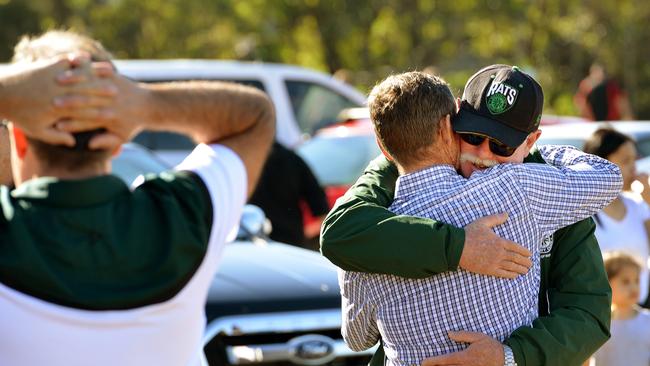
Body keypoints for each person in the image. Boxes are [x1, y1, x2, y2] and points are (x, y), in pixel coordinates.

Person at [0, 30, 274, 366]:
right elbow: (255, 115)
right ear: (118, 142)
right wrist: (146, 104)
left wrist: (9, 91)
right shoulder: (184, 214)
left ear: (19, 139)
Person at [322, 65, 614, 366]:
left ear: (530, 141)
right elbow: (339, 232)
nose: (484, 155)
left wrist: (510, 356)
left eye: (502, 145)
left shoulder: (550, 192)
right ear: (450, 125)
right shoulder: (394, 178)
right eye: (473, 136)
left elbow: (588, 312)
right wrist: (460, 247)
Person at [583, 128, 650, 307]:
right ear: (601, 163)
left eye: (634, 160)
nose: (634, 168)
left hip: (640, 310)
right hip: (602, 315)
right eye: (625, 161)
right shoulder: (583, 211)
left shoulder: (638, 205)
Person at [249, 141, 329, 249]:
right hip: (291, 245)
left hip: (252, 246)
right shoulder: (293, 159)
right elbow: (321, 210)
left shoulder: (240, 162)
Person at [591, 252, 650, 365]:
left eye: (636, 280)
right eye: (625, 282)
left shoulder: (648, 321)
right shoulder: (599, 324)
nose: (633, 287)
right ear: (606, 283)